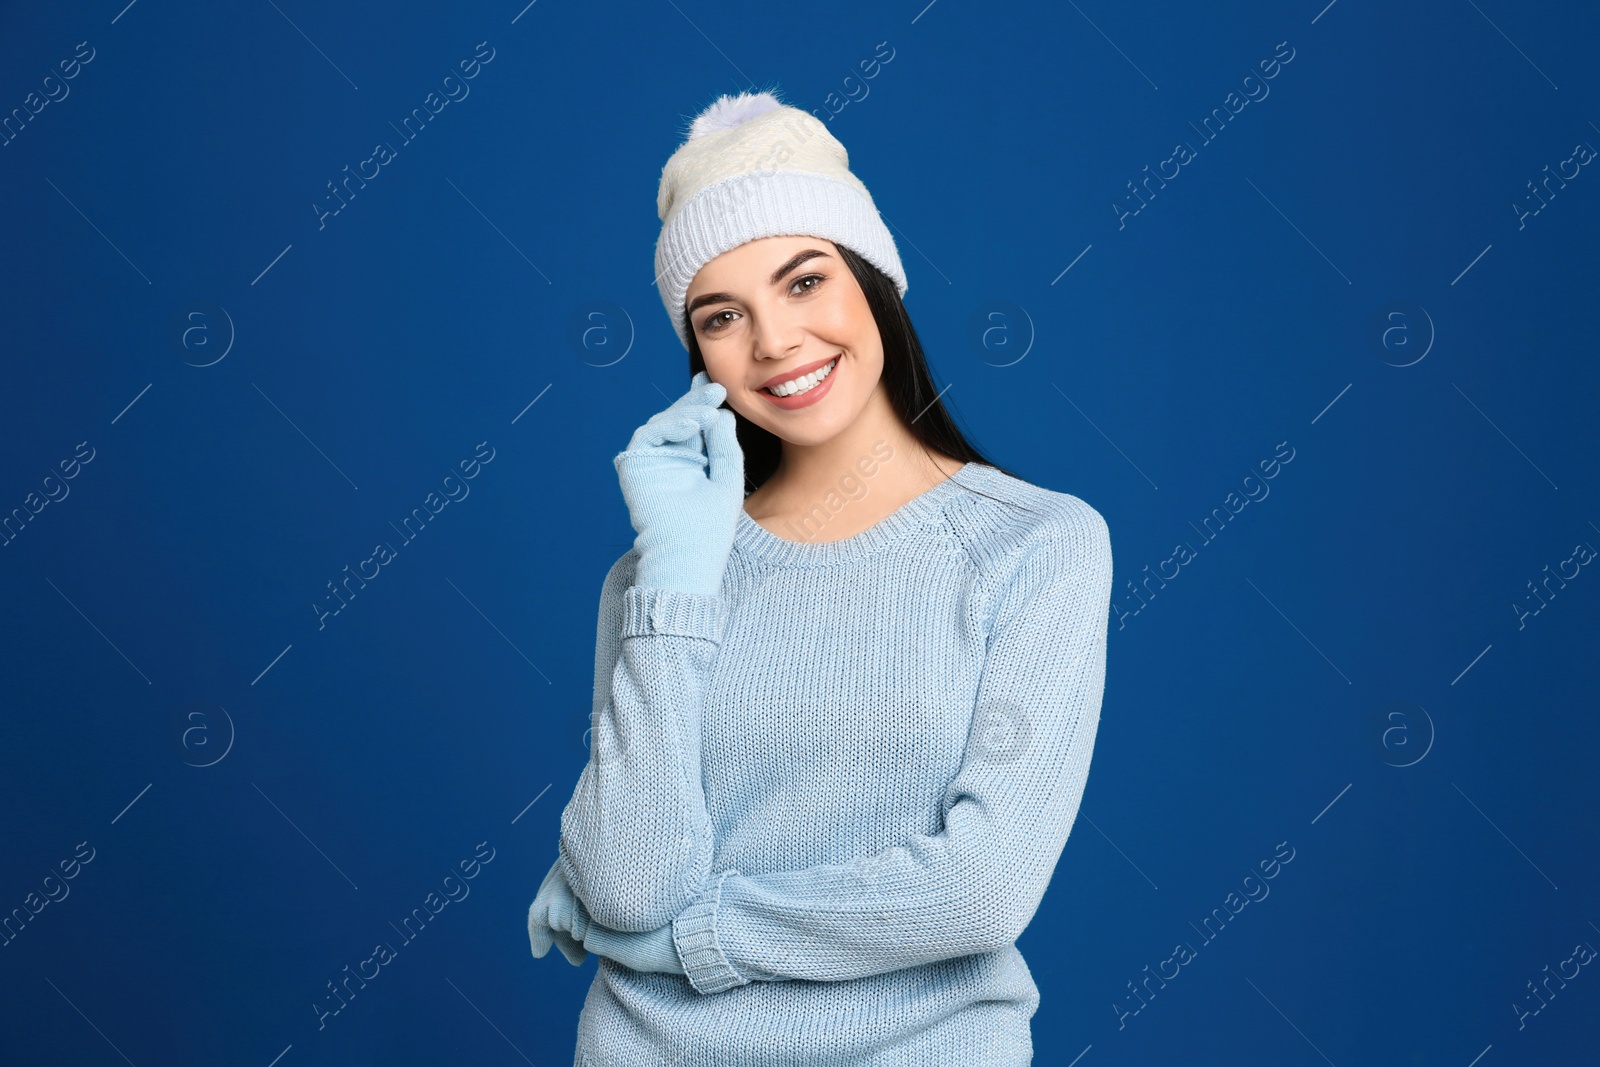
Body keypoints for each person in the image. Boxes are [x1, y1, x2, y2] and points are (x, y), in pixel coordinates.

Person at [527, 88, 1114, 1066]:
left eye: (804, 282)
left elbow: (979, 887)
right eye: (723, 315)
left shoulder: (1035, 545)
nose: (775, 343)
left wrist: (693, 940)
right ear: (698, 354)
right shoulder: (653, 575)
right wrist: (677, 577)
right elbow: (628, 886)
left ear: (874, 279)